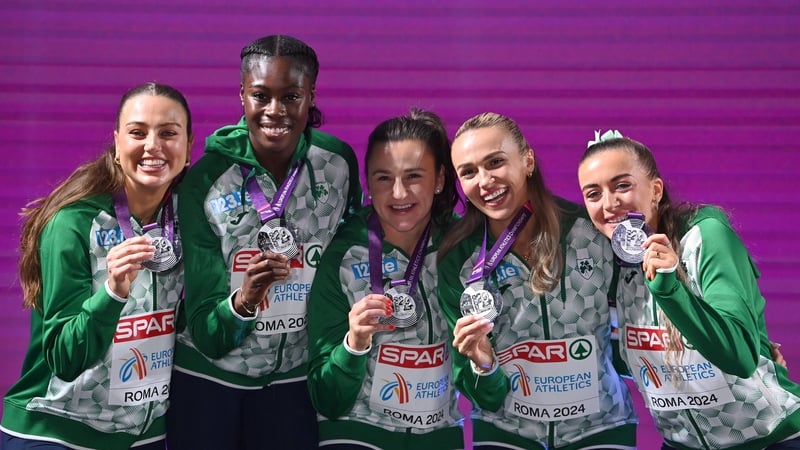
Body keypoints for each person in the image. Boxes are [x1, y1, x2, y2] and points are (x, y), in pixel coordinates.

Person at [167, 35, 362, 449]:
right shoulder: (204, 181)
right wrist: (244, 302)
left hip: (292, 383)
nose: (275, 110)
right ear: (242, 95)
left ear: (311, 96)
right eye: (260, 95)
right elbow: (205, 329)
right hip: (208, 381)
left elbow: (348, 266)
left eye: (291, 96)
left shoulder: (339, 165)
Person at [578, 131, 800, 450]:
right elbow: (628, 358)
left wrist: (670, 290)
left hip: (770, 438)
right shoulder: (609, 265)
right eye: (593, 194)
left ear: (655, 190)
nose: (609, 204)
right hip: (681, 444)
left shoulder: (705, 237)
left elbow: (738, 357)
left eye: (622, 185)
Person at [0, 82, 192, 449]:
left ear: (188, 147)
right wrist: (112, 292)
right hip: (56, 432)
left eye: (169, 133)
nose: (153, 145)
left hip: (142, 437)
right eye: (138, 133)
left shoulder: (188, 216)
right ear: (117, 143)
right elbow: (64, 358)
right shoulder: (72, 223)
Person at [437, 112, 638, 449]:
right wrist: (484, 366)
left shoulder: (591, 233)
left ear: (527, 160)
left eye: (496, 162)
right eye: (469, 172)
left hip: (600, 429)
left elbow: (631, 342)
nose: (484, 181)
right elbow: (479, 392)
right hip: (506, 433)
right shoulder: (459, 259)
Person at [307, 109, 463, 449]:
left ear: (439, 179)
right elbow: (325, 398)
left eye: (413, 177)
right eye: (383, 178)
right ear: (366, 183)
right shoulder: (341, 254)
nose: (398, 192)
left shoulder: (462, 246)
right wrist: (353, 345)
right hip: (358, 433)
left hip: (439, 436)